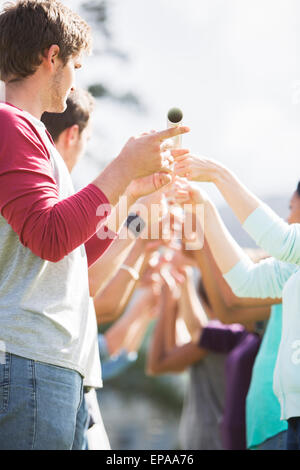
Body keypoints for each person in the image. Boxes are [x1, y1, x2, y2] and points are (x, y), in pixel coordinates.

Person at [0, 0, 189, 450]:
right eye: (75, 65)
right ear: (52, 58)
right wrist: (121, 169)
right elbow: (49, 236)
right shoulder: (9, 125)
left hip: (49, 365)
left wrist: (132, 199)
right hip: (29, 362)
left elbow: (72, 252)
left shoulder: (31, 134)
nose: (75, 80)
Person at [174, 154, 300, 449]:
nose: (286, 217)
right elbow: (246, 281)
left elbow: (281, 240)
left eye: (292, 209)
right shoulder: (294, 268)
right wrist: (204, 208)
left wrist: (219, 175)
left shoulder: (290, 247)